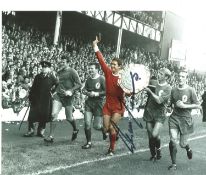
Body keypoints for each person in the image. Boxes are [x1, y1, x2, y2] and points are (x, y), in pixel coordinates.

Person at [93, 36, 125, 155]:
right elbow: (101, 60)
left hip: (118, 106)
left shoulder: (123, 78)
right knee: (105, 128)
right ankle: (113, 134)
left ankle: (111, 149)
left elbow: (130, 92)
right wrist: (95, 46)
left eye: (115, 65)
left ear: (120, 67)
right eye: (111, 64)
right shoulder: (108, 73)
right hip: (108, 105)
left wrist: (128, 92)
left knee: (111, 127)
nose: (112, 66)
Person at [168, 68, 201, 170]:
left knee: (182, 144)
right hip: (174, 118)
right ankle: (174, 164)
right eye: (179, 76)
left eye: (183, 76)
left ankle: (187, 148)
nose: (180, 78)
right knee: (173, 141)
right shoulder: (173, 90)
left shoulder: (191, 90)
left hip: (186, 120)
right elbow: (170, 105)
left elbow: (198, 105)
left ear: (186, 78)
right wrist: (168, 107)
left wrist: (185, 106)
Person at [44, 55, 82, 143]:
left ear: (68, 63)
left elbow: (79, 84)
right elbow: (57, 83)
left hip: (68, 97)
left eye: (64, 62)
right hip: (58, 96)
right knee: (53, 115)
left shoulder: (72, 71)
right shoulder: (59, 72)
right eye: (61, 62)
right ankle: (51, 137)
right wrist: (52, 89)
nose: (62, 63)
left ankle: (75, 129)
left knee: (69, 118)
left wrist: (71, 91)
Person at [143, 68, 172, 161]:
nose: (158, 74)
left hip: (160, 113)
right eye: (158, 72)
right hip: (149, 111)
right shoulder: (153, 82)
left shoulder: (168, 88)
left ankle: (158, 149)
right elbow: (144, 89)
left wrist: (150, 92)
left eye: (161, 74)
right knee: (150, 134)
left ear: (166, 77)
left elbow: (159, 100)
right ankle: (153, 154)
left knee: (154, 134)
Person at [24, 61, 58, 137]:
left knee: (44, 115)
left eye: (45, 67)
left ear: (49, 68)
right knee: (32, 115)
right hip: (36, 99)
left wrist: (52, 92)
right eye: (42, 67)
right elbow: (33, 87)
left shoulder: (52, 77)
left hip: (46, 100)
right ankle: (31, 131)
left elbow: (57, 85)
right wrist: (31, 96)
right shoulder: (37, 76)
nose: (43, 69)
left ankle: (41, 131)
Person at [81, 62, 107, 149]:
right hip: (89, 103)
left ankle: (104, 130)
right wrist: (85, 91)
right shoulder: (88, 79)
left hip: (98, 104)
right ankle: (88, 142)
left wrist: (96, 94)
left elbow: (106, 92)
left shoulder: (102, 79)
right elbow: (85, 90)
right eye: (89, 68)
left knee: (97, 126)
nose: (90, 70)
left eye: (92, 68)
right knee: (87, 123)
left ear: (97, 69)